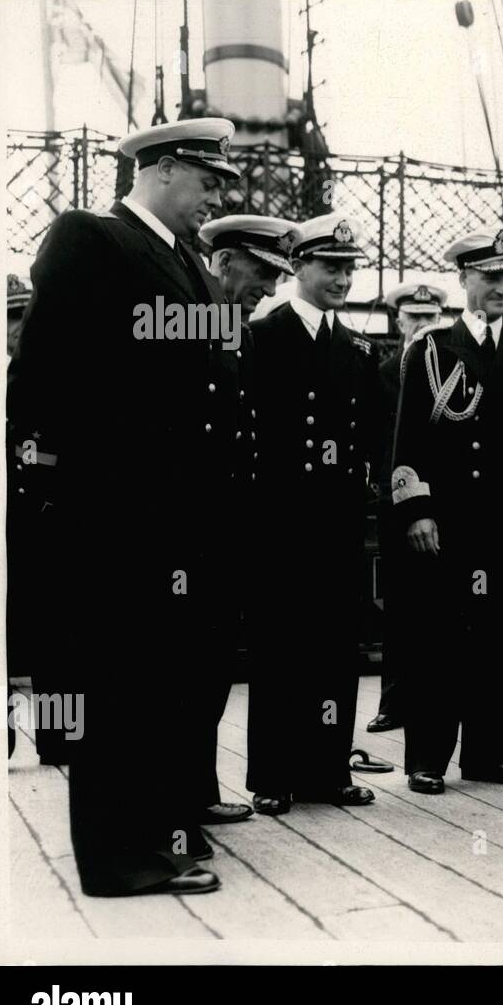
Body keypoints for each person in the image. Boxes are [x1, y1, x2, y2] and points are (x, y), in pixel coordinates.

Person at [8, 117, 246, 896]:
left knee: (158, 685)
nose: (214, 199)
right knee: (113, 686)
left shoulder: (193, 267)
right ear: (165, 169)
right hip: (115, 513)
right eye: (208, 183)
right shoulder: (92, 239)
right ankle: (115, 860)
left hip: (180, 516)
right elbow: (41, 376)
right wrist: (76, 488)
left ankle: (152, 836)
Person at [394, 224, 503, 795]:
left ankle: (489, 755)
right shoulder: (432, 350)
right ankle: (428, 759)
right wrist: (417, 509)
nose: (501, 286)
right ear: (463, 278)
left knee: (497, 640)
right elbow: (408, 438)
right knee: (441, 640)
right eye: (490, 276)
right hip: (450, 521)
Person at [245, 213, 382, 815]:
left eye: (349, 268)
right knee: (280, 649)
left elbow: (371, 440)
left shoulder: (358, 348)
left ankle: (327, 769)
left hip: (337, 522)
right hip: (278, 521)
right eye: (330, 267)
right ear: (298, 266)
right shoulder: (262, 336)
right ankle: (274, 773)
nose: (342, 278)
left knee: (332, 648)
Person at [193, 213, 296, 824]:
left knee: (210, 668)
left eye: (280, 275)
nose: (271, 288)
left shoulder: (241, 333)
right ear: (225, 261)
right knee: (180, 669)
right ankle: (174, 795)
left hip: (227, 528)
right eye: (262, 272)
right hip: (184, 527)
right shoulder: (185, 319)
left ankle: (197, 790)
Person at [366, 281, 448, 735]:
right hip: (395, 498)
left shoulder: (448, 368)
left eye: (430, 318)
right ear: (399, 322)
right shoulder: (382, 370)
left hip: (439, 501)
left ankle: (434, 703)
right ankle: (394, 703)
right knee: (398, 605)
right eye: (414, 318)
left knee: (438, 605)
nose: (422, 326)